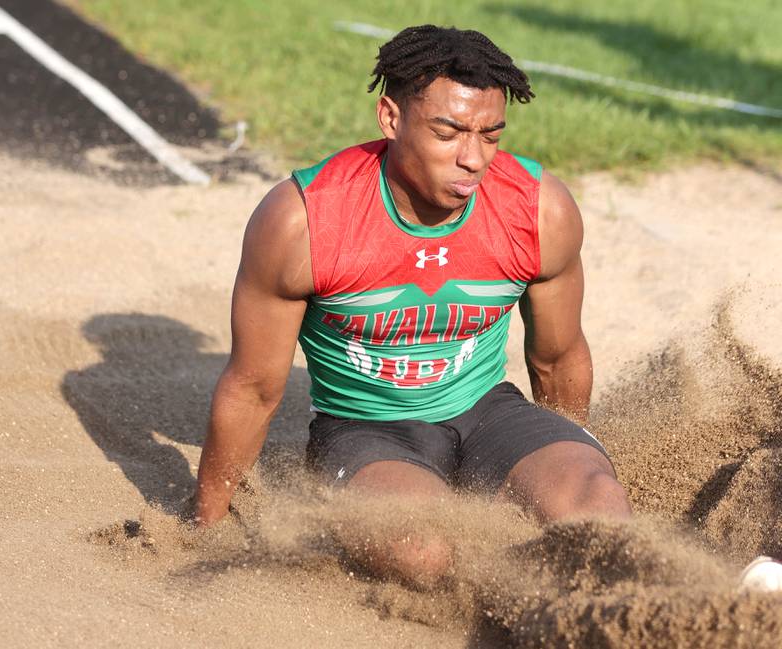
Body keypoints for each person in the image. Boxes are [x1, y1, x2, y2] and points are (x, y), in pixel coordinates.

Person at [194, 24, 632, 587]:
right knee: (423, 554)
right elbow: (254, 387)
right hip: (364, 429)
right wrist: (204, 524)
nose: (473, 158)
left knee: (596, 508)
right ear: (391, 118)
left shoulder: (539, 210)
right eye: (447, 132)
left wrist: (567, 451)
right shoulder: (303, 221)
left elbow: (557, 356)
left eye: (491, 135)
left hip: (488, 411)